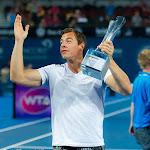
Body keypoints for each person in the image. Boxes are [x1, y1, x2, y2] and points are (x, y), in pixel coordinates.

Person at [10, 14, 132, 150]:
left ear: (81, 45)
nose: (63, 44)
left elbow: (127, 89)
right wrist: (19, 41)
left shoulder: (99, 71)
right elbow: (17, 76)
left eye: (68, 41)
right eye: (61, 42)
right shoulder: (53, 71)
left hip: (93, 145)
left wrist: (110, 61)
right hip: (62, 145)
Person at [129, 49, 150, 150]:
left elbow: (133, 104)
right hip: (146, 127)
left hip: (138, 128)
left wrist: (132, 123)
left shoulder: (137, 80)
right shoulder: (148, 81)